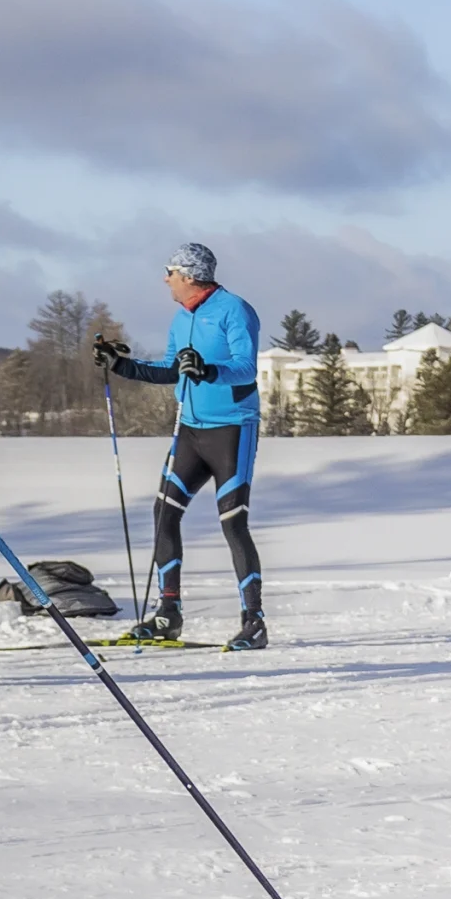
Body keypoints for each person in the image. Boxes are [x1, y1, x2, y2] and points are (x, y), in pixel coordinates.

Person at [95, 242, 267, 651]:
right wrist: (122, 364)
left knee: (233, 522)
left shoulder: (234, 310)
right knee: (164, 513)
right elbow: (172, 370)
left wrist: (209, 370)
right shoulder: (181, 317)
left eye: (169, 270)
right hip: (190, 430)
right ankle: (167, 614)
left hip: (232, 430)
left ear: (189, 275)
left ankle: (254, 622)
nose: (164, 278)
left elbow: (246, 368)